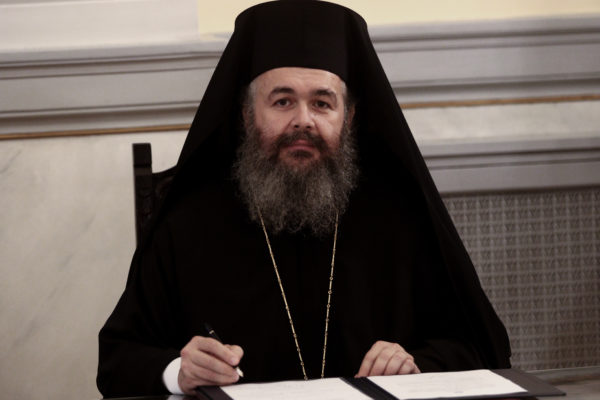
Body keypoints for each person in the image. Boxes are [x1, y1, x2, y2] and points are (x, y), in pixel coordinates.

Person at [97, 1, 511, 397]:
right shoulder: (191, 222)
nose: (303, 121)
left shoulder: (399, 218)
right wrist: (179, 371)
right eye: (282, 101)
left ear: (348, 117)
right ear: (246, 115)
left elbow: (478, 346)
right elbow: (118, 359)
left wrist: (415, 365)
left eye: (322, 103)